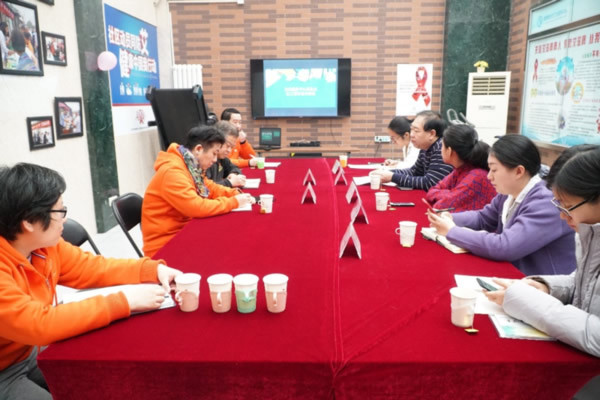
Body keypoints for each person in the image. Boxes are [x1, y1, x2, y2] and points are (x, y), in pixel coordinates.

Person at [0, 163, 183, 400]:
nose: (64, 219)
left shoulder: (45, 246)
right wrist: (125, 302)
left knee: (101, 377)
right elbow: (40, 324)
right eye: (59, 211)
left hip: (28, 350)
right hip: (5, 368)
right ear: (28, 222)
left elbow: (92, 268)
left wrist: (152, 270)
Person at [484, 146, 600, 357]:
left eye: (567, 206)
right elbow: (585, 283)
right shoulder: (589, 230)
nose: (562, 216)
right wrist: (546, 287)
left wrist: (527, 302)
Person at [427, 135, 575, 276]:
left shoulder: (545, 202)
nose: (489, 176)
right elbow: (483, 218)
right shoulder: (509, 192)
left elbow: (506, 246)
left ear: (519, 171)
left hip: (540, 284)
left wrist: (452, 231)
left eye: (494, 170)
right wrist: (450, 217)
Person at [142, 125, 255, 257]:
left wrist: (235, 193)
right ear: (198, 149)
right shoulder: (173, 172)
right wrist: (233, 202)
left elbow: (210, 187)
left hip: (184, 232)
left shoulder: (190, 166)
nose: (215, 160)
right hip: (165, 246)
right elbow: (196, 207)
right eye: (214, 153)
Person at [373, 110, 453, 190]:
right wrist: (388, 173)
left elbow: (430, 183)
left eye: (416, 131)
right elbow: (414, 172)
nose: (411, 135)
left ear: (432, 134)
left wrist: (392, 177)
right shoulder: (425, 148)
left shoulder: (441, 148)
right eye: (411, 129)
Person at [424, 125, 496, 212]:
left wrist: (450, 194)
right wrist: (450, 194)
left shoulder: (477, 176)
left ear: (449, 151)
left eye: (442, 146)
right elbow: (432, 190)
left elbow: (441, 206)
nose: (441, 150)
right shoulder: (460, 169)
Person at [205, 121, 246, 188]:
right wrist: (229, 182)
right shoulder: (205, 160)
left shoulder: (222, 159)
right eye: (228, 146)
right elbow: (205, 188)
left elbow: (234, 167)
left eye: (232, 147)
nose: (229, 150)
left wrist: (234, 174)